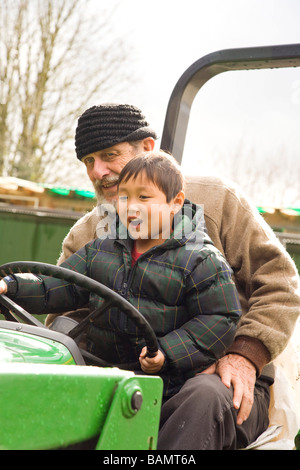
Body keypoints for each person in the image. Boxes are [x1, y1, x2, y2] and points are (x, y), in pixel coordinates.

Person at [44, 103, 300, 449]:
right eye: (89, 161)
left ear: (147, 148)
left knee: (204, 396)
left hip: (215, 381)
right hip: (126, 379)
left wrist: (244, 355)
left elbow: (280, 285)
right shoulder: (88, 234)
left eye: (109, 155)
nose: (98, 171)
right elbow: (65, 314)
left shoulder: (217, 200)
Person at [0, 151, 242, 403]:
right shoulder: (102, 249)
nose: (132, 206)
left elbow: (220, 317)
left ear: (176, 202)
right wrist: (10, 286)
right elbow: (54, 287)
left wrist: (166, 353)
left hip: (163, 387)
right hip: (99, 374)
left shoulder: (200, 259)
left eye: (144, 197)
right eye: (124, 197)